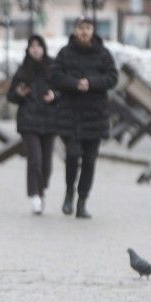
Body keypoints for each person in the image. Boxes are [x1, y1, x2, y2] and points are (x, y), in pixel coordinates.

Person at [48, 17, 118, 219]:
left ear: (93, 30)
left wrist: (92, 83)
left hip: (95, 115)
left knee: (89, 160)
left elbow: (112, 77)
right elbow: (55, 76)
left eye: (88, 28)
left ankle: (82, 201)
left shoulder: (103, 54)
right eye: (81, 28)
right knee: (72, 155)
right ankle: (69, 192)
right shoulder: (65, 53)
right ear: (75, 30)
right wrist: (74, 83)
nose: (84, 32)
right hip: (70, 114)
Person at [7, 34, 57, 215]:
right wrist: (19, 93)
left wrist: (55, 95)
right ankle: (34, 194)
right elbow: (10, 96)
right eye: (32, 46)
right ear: (28, 49)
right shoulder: (22, 70)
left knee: (47, 165)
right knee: (34, 160)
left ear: (44, 48)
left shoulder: (53, 67)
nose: (35, 49)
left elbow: (63, 90)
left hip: (50, 121)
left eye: (39, 46)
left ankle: (41, 190)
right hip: (28, 121)